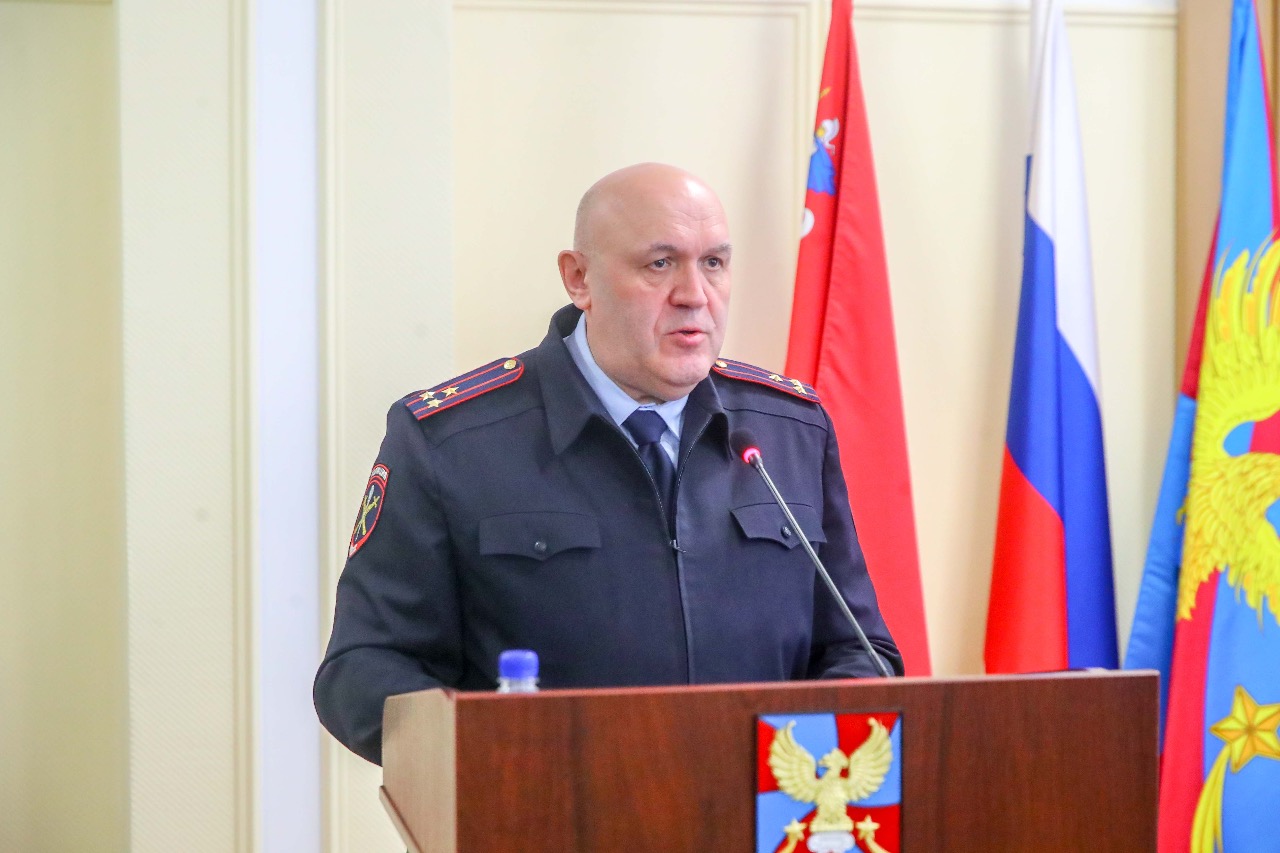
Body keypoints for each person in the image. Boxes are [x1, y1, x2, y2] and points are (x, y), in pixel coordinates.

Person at [314, 163, 902, 765]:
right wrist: (499, 759)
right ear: (579, 278)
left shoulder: (789, 429)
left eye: (714, 263)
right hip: (541, 804)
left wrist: (807, 766)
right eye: (660, 263)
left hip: (761, 804)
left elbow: (860, 648)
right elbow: (363, 672)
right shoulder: (451, 441)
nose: (695, 295)